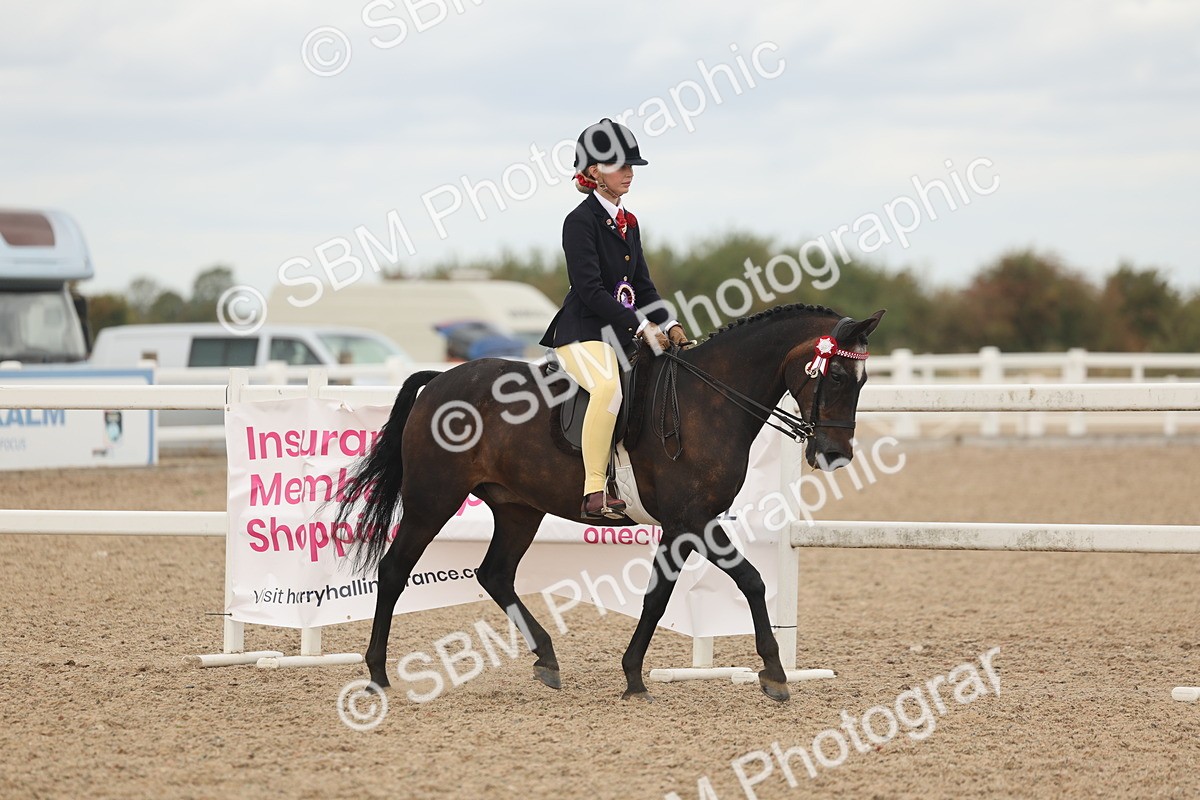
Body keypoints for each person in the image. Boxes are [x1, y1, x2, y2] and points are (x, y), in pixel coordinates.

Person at [539, 118, 691, 520]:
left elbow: (642, 286)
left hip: (620, 335)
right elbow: (590, 291)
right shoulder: (579, 221)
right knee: (608, 389)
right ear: (594, 173)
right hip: (582, 334)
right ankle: (593, 490)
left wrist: (671, 323)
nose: (629, 173)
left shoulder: (630, 222)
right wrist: (641, 326)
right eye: (620, 165)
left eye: (631, 166)